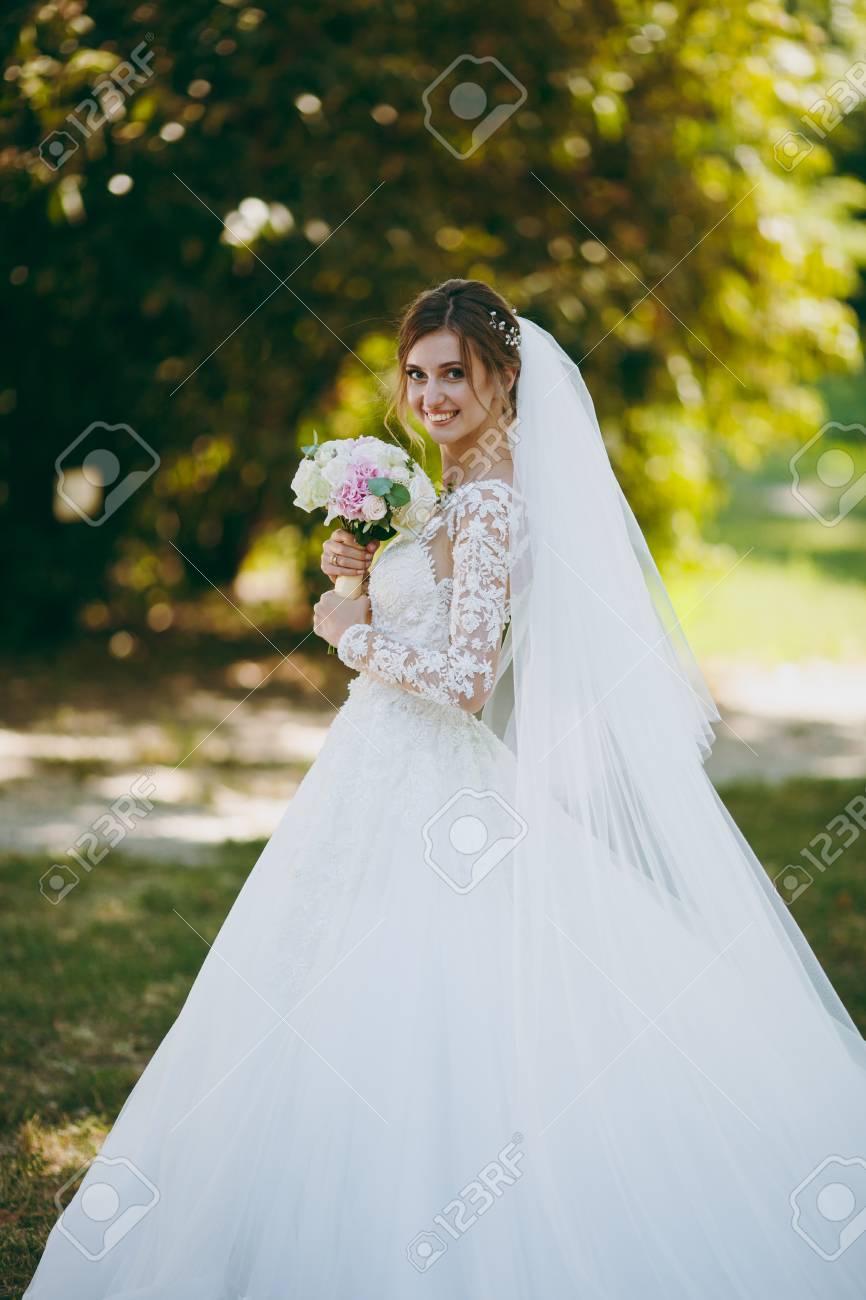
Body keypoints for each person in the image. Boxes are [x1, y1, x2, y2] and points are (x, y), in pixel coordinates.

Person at [25, 279, 866, 1298]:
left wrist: (351, 633)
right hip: (379, 767)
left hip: (429, 780)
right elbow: (429, 622)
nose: (430, 394)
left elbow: (466, 682)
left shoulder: (498, 499)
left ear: (501, 377)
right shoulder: (456, 491)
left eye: (452, 374)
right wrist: (356, 569)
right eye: (416, 374)